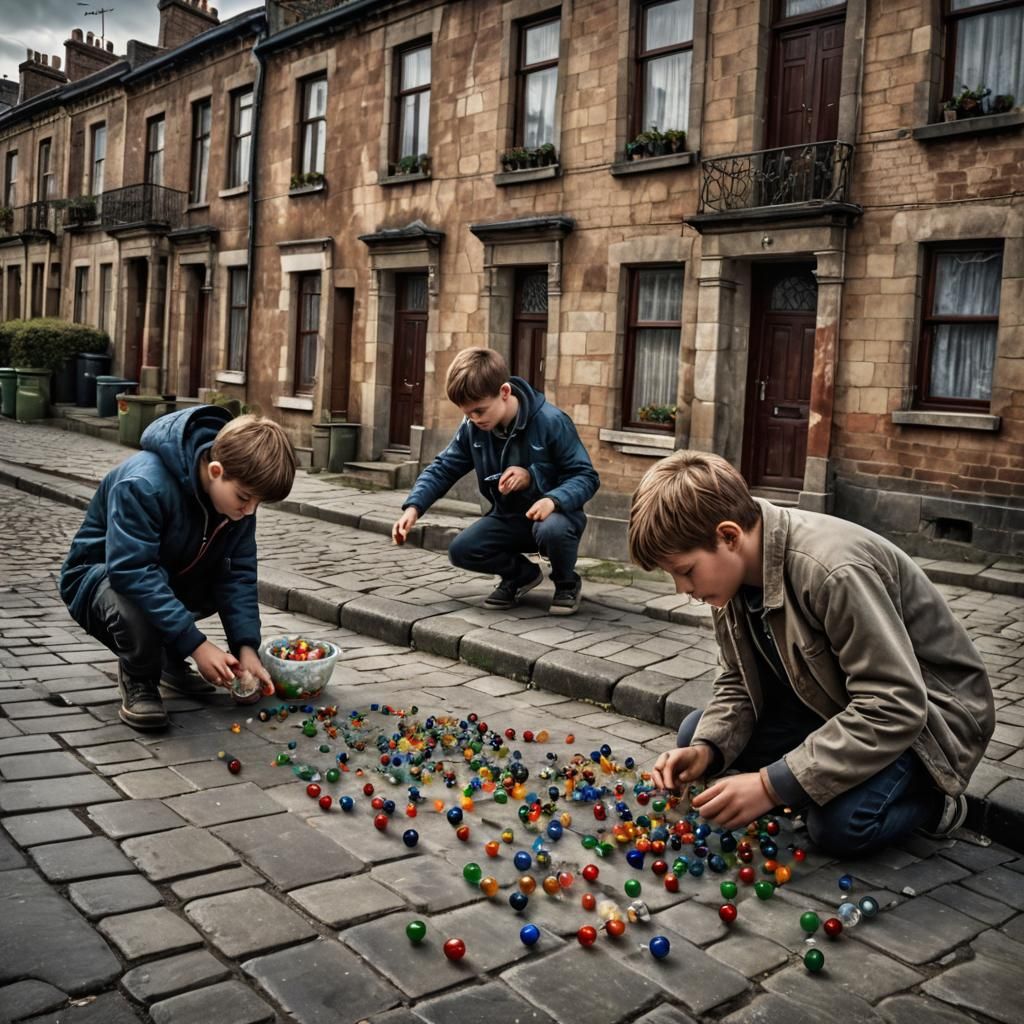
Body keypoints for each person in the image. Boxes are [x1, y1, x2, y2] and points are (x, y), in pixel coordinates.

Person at [629, 450, 994, 857]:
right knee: (695, 737)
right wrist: (707, 749)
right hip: (830, 704)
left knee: (839, 827)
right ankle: (807, 777)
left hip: (929, 724)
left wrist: (771, 785)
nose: (682, 589)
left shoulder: (832, 572)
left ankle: (937, 799)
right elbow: (737, 679)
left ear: (729, 536)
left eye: (686, 570)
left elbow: (896, 705)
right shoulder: (728, 579)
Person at [60, 406, 296, 730]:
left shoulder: (238, 509)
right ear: (216, 470)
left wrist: (246, 648)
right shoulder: (143, 483)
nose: (250, 510)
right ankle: (139, 674)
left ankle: (169, 659)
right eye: (244, 497)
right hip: (99, 580)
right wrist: (196, 644)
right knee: (135, 606)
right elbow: (132, 572)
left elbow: (237, 575)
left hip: (169, 575)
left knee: (218, 581)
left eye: (258, 502)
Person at [392, 347, 599, 615]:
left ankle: (566, 582)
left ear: (504, 392)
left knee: (552, 529)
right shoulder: (472, 428)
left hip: (555, 518)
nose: (474, 419)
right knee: (462, 550)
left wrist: (547, 494)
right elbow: (443, 468)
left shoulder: (552, 421)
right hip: (508, 518)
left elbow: (586, 476)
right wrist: (414, 507)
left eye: (479, 411)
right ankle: (520, 576)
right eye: (467, 413)